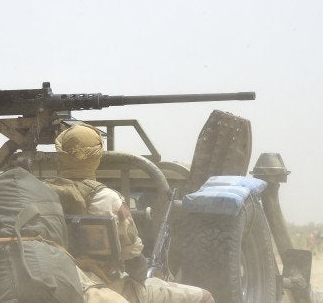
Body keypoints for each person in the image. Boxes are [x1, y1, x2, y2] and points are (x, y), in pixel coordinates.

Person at [45, 124, 214, 303]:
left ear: (60, 156)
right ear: (97, 157)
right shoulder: (109, 199)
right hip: (106, 290)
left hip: (54, 284)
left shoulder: (39, 194)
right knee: (205, 297)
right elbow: (135, 264)